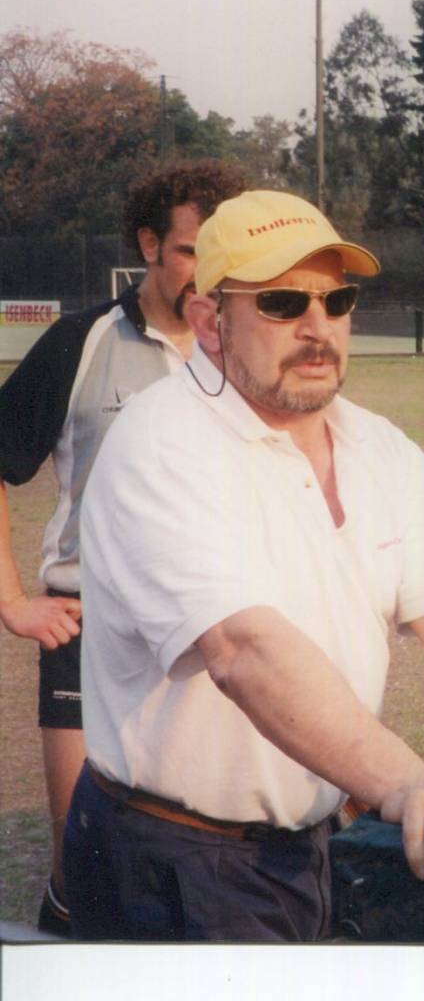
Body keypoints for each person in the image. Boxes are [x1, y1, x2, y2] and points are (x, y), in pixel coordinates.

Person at [61, 190, 424, 941]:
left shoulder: (380, 448)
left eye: (336, 300)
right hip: (171, 859)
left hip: (313, 840)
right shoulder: (160, 445)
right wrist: (409, 781)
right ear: (210, 323)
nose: (318, 328)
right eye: (282, 302)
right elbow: (244, 651)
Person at [0, 159, 246, 936]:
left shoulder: (244, 350)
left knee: (204, 855)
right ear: (149, 245)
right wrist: (12, 601)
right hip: (92, 628)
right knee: (83, 864)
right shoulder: (81, 342)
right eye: (191, 251)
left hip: (215, 628)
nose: (207, 273)